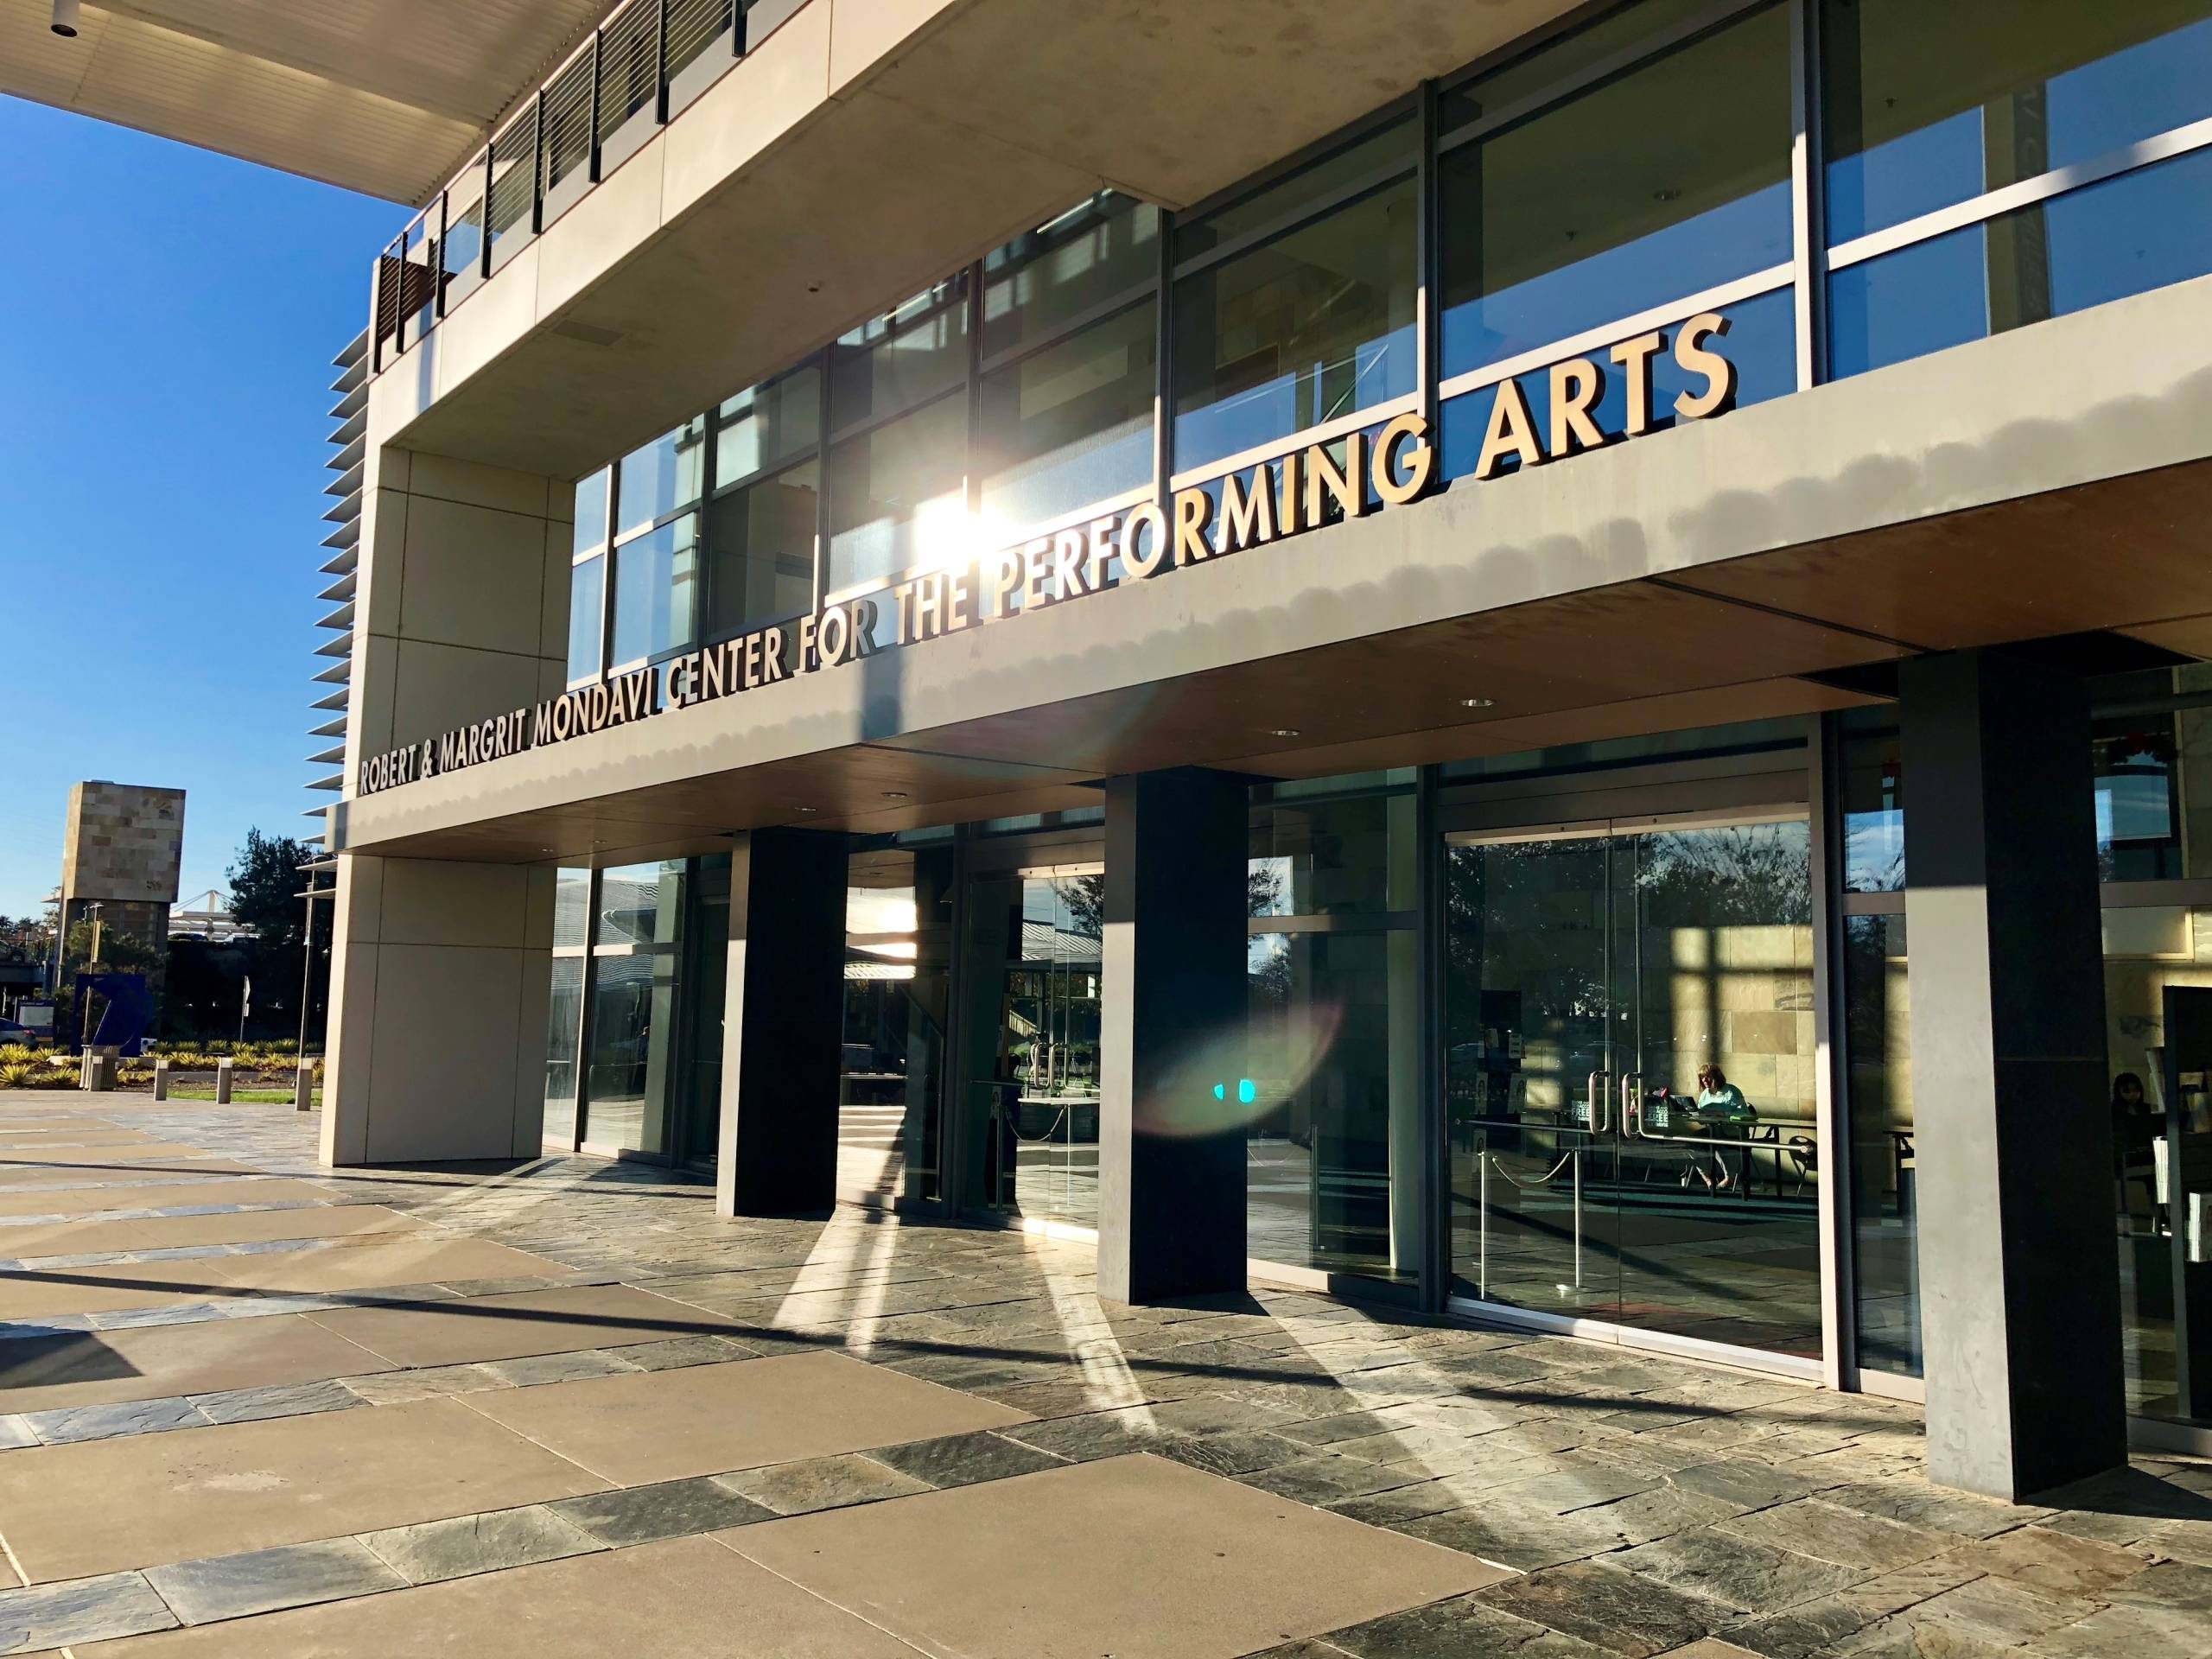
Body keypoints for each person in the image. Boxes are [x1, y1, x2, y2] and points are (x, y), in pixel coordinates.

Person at [1688, 1063, 1757, 1192]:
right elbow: (1702, 1120)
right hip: (1713, 1131)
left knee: (1718, 1144)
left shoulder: (1731, 1091)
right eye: (1702, 1078)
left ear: (1716, 1077)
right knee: (1692, 1142)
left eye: (1708, 1077)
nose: (1705, 1080)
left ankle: (1729, 1178)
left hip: (1733, 1132)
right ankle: (1708, 1179)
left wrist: (1723, 1114)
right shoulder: (1705, 1095)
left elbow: (1744, 1113)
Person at [2111, 1072, 2162, 1230]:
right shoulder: (2113, 1113)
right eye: (2127, 1091)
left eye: (2136, 1090)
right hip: (2125, 1160)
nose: (2133, 1095)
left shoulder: (2147, 1110)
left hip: (2148, 1157)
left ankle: (2158, 1218)